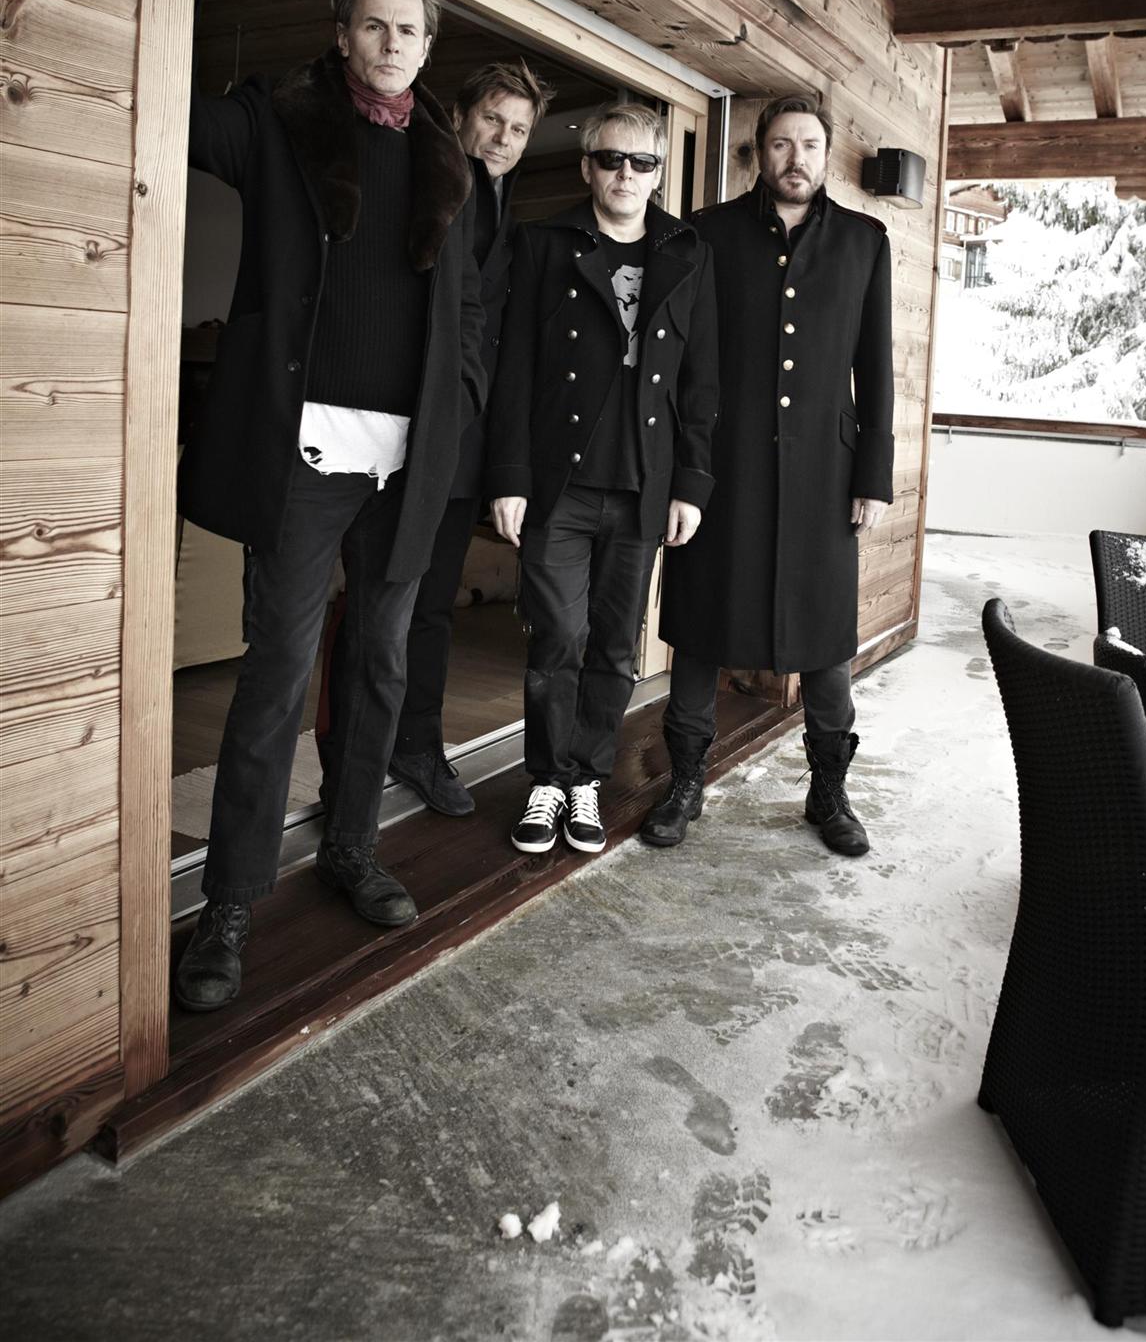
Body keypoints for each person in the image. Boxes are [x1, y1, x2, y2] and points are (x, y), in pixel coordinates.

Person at [174, 0, 485, 1013]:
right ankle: (230, 902)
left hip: (406, 466)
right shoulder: (279, 121)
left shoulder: (450, 155)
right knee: (275, 674)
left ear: (425, 46)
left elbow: (466, 317)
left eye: (411, 30)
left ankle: (352, 844)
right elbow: (171, 114)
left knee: (380, 665)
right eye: (375, 25)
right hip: (303, 458)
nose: (393, 43)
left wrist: (460, 420)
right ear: (344, 34)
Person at [647, 94, 893, 853]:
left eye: (810, 145)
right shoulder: (709, 233)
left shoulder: (864, 241)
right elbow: (686, 358)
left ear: (827, 153)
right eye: (782, 144)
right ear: (760, 152)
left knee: (825, 633)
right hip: (722, 464)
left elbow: (875, 366)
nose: (796, 158)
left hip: (827, 470)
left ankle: (830, 792)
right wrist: (684, 468)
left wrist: (874, 474)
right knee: (701, 620)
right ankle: (686, 782)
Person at [321, 60, 554, 815]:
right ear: (459, 116)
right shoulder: (428, 188)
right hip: (398, 433)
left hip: (460, 445)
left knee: (427, 606)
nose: (504, 138)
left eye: (519, 129)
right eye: (493, 120)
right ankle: (351, 756)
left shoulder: (510, 217)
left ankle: (413, 743)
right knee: (374, 603)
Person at [487, 102, 719, 855]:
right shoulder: (543, 243)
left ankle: (586, 777)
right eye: (610, 159)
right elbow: (513, 367)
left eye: (641, 162)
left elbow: (701, 382)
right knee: (557, 635)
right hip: (559, 484)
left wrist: (692, 483)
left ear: (657, 173)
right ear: (588, 167)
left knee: (616, 644)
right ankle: (547, 780)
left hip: (644, 485)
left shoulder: (688, 252)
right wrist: (509, 476)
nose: (625, 174)